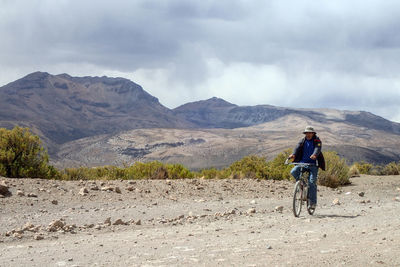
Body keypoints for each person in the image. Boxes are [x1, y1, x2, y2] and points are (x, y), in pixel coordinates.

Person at [289, 126, 325, 209]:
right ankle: (303, 185)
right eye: (307, 133)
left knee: (312, 183)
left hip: (313, 165)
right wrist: (293, 154)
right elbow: (297, 148)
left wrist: (315, 155)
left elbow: (318, 148)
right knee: (293, 171)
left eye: (310, 133)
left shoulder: (317, 141)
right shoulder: (303, 141)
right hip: (302, 163)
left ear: (313, 133)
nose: (308, 134)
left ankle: (312, 203)